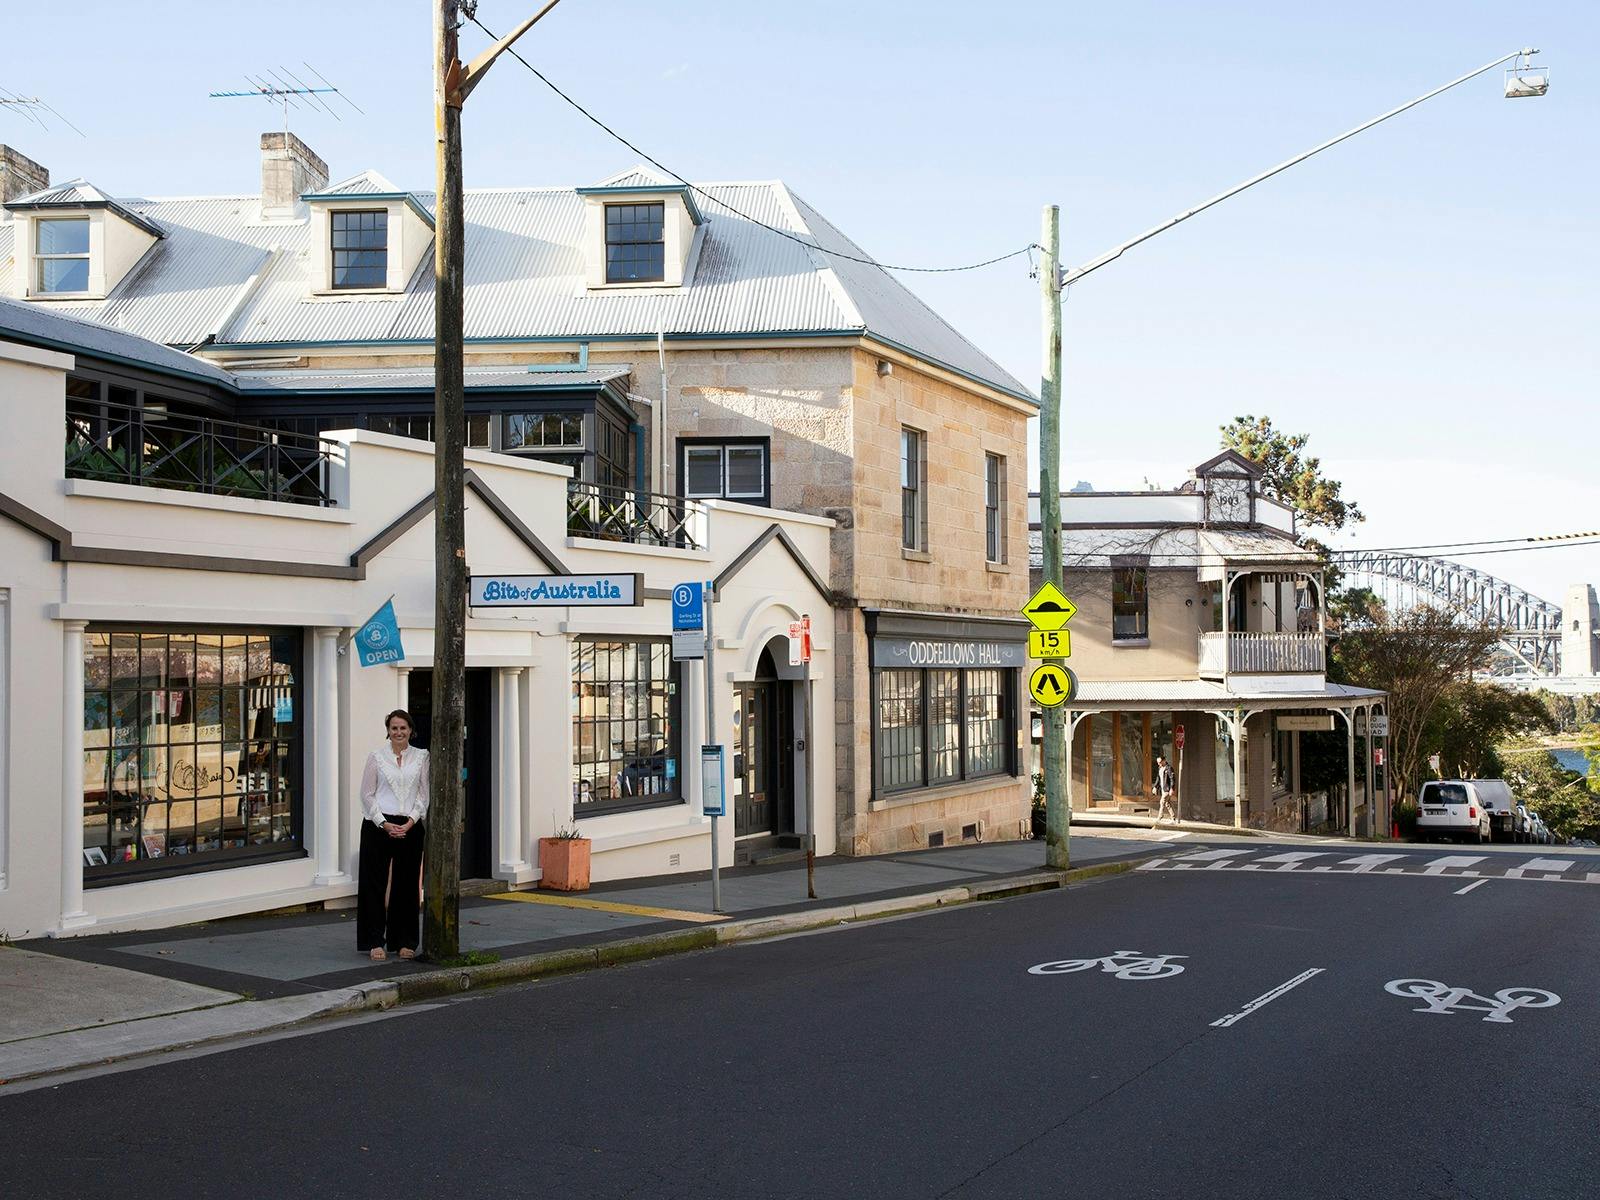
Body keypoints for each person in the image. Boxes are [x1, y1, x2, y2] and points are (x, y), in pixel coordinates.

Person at [358, 709, 429, 961]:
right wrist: (384, 823)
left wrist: (410, 822)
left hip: (410, 825)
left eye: (403, 728)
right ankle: (374, 941)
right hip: (378, 825)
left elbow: (423, 794)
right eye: (394, 728)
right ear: (388, 731)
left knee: (407, 885)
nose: (399, 732)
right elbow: (366, 794)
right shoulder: (376, 757)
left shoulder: (422, 757)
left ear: (411, 730)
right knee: (373, 884)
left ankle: (404, 941)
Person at [1153, 755, 1177, 824]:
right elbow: (1158, 778)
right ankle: (1173, 818)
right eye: (1158, 762)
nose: (1159, 764)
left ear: (1164, 761)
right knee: (1167, 803)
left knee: (1162, 802)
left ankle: (1160, 817)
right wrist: (1155, 787)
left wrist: (1172, 788)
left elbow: (1172, 779)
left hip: (1167, 789)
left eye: (1160, 762)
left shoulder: (1169, 768)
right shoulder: (1160, 768)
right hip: (1163, 789)